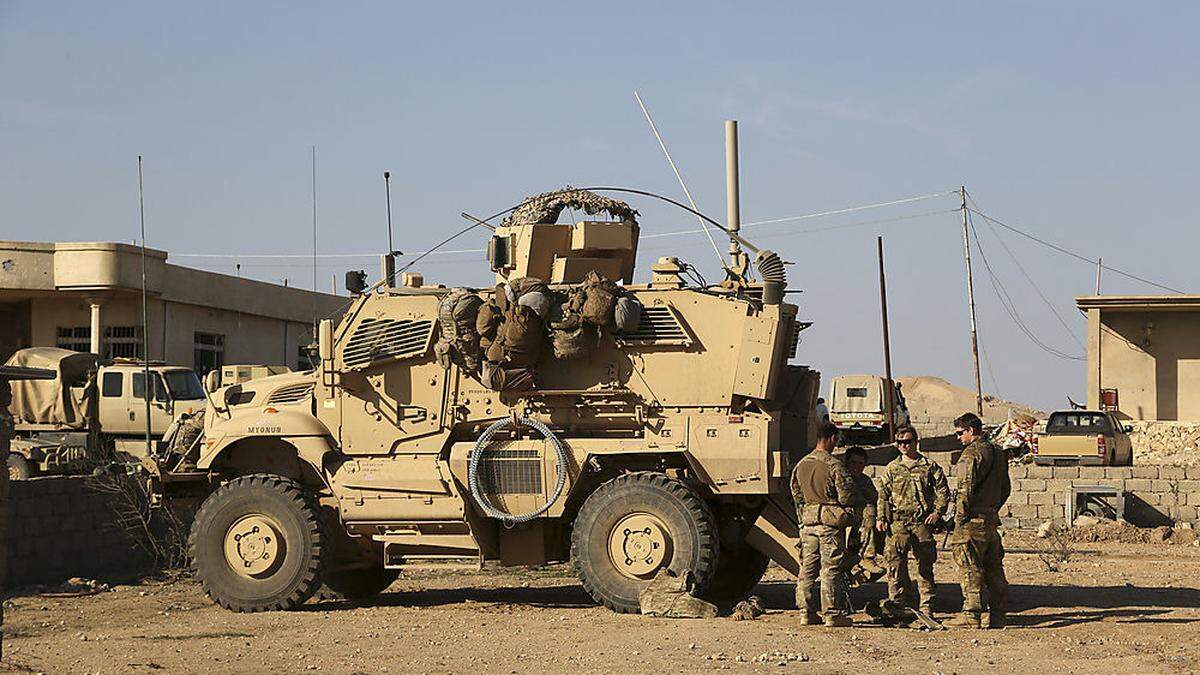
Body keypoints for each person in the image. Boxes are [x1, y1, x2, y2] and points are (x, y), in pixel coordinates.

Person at [875, 425, 949, 617]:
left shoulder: (929, 466)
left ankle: (927, 605)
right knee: (895, 566)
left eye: (908, 442)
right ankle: (896, 604)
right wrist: (881, 517)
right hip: (898, 523)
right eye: (900, 443)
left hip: (921, 523)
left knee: (925, 565)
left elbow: (942, 491)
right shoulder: (892, 468)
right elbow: (883, 494)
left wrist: (937, 513)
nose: (904, 446)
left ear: (916, 442)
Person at [945, 412, 1011, 629]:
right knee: (993, 569)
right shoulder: (998, 453)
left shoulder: (971, 454)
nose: (958, 438)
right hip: (991, 520)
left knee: (970, 567)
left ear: (970, 431)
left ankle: (971, 614)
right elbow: (1005, 489)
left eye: (959, 433)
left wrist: (960, 520)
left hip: (972, 521)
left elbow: (965, 490)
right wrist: (991, 509)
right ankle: (998, 615)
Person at [791, 421, 858, 627]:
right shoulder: (834, 465)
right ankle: (831, 614)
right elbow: (846, 496)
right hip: (829, 523)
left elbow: (796, 494)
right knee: (831, 569)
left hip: (808, 522)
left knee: (808, 568)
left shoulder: (801, 464)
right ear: (830, 439)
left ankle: (806, 613)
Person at [841, 446, 884, 581]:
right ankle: (866, 557)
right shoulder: (841, 478)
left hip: (861, 524)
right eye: (853, 463)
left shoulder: (865, 481)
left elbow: (875, 500)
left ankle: (867, 558)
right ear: (846, 463)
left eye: (860, 464)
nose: (857, 467)